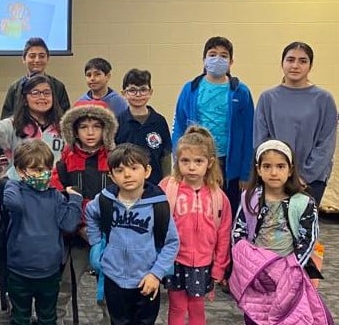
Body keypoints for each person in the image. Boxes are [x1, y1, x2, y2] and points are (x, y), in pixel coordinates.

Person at [232, 140, 327, 325]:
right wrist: (245, 260)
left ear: (290, 169)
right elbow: (239, 231)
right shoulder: (250, 198)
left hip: (289, 271)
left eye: (280, 166)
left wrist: (293, 266)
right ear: (258, 169)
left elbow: (308, 238)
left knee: (293, 318)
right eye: (267, 166)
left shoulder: (303, 202)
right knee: (255, 315)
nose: (273, 172)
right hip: (257, 271)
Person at [86, 144, 179, 325]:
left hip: (145, 280)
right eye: (120, 170)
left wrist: (156, 274)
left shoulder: (158, 204)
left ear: (146, 171)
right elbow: (90, 215)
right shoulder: (105, 200)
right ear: (111, 175)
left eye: (134, 168)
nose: (127, 174)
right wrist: (97, 247)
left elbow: (171, 242)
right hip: (115, 277)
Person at [0, 67, 65, 311]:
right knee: (17, 244)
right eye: (35, 93)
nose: (42, 97)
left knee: (49, 245)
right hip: (20, 196)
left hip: (50, 197)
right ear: (25, 98)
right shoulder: (14, 125)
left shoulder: (62, 127)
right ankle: (14, 292)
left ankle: (46, 297)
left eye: (46, 92)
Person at [3, 141, 82, 325]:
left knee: (48, 318)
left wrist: (74, 200)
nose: (42, 174)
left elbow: (69, 224)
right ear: (21, 171)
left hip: (48, 270)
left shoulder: (56, 197)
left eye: (45, 168)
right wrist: (14, 180)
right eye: (35, 169)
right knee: (20, 317)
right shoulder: (15, 192)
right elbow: (13, 204)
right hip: (19, 269)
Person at [160, 126, 232, 325]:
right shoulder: (168, 189)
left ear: (209, 163)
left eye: (198, 161)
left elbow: (224, 235)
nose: (191, 167)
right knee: (177, 307)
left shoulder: (219, 197)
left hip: (204, 263)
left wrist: (219, 268)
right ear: (177, 161)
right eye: (186, 161)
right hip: (175, 261)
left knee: (198, 308)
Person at [51, 100, 118, 325]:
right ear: (74, 130)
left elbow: (126, 194)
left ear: (106, 130)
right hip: (76, 236)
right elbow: (58, 196)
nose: (90, 132)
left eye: (96, 126)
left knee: (109, 286)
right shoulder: (64, 163)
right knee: (64, 283)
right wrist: (80, 226)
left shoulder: (115, 160)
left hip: (109, 237)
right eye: (84, 127)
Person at [173, 36, 254, 214]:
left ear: (231, 62)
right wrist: (178, 160)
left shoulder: (241, 91)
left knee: (226, 211)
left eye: (224, 56)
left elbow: (249, 134)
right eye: (212, 54)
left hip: (229, 165)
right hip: (197, 160)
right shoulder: (190, 89)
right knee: (199, 210)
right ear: (204, 59)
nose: (218, 59)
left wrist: (245, 173)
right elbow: (179, 125)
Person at [254, 41, 337, 205]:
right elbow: (261, 140)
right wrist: (278, 171)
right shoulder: (267, 98)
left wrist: (304, 176)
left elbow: (326, 144)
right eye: (290, 60)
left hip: (312, 181)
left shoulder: (324, 99)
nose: (295, 66)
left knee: (303, 221)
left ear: (310, 66)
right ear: (282, 63)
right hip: (274, 177)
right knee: (275, 221)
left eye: (302, 61)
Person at [115, 69, 172, 185]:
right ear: (124, 93)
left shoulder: (159, 121)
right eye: (132, 90)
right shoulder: (118, 122)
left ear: (150, 92)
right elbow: (113, 156)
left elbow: (165, 155)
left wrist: (166, 182)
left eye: (143, 90)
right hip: (127, 183)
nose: (138, 94)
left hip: (155, 183)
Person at [0, 37, 71, 120]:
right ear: (23, 59)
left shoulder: (58, 86)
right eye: (32, 56)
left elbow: (66, 119)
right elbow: (6, 118)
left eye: (41, 56)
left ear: (48, 59)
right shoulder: (15, 88)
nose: (37, 60)